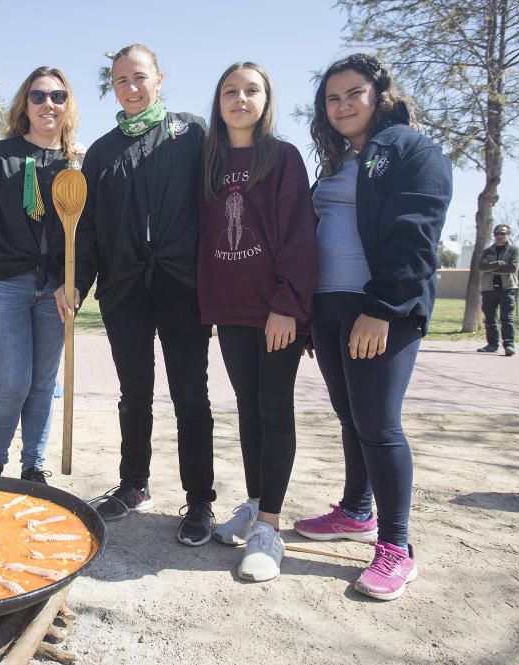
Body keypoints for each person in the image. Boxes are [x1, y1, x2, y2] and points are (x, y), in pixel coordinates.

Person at [294, 54, 452, 600]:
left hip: (378, 309)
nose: (342, 106)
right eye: (331, 99)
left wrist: (382, 308)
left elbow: (417, 236)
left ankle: (397, 546)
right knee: (350, 416)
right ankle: (356, 510)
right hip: (330, 305)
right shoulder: (340, 158)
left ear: (378, 94)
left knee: (380, 425)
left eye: (352, 94)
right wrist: (313, 313)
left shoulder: (411, 150)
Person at [81, 44, 216, 546]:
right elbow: (88, 228)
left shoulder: (193, 133)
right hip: (125, 292)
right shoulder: (100, 152)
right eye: (120, 81)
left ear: (159, 78)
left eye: (139, 77)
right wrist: (77, 285)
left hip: (184, 289)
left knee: (190, 396)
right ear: (112, 88)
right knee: (133, 395)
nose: (131, 87)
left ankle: (199, 499)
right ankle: (133, 485)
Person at [197, 62, 317, 580]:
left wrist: (288, 303)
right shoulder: (206, 160)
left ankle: (269, 527)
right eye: (230, 91)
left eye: (252, 91)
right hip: (229, 307)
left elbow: (299, 235)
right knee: (247, 407)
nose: (240, 99)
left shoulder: (283, 158)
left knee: (273, 408)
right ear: (218, 100)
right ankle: (254, 500)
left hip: (276, 311)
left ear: (266, 101)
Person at [0, 66, 87, 484]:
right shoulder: (2, 156)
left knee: (42, 383)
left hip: (55, 289)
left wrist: (73, 286)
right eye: (38, 96)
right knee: (13, 381)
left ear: (67, 103)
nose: (47, 104)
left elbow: (85, 236)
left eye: (57, 96)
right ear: (25, 104)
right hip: (3, 285)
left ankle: (33, 465)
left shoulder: (76, 164)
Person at [477, 224, 519, 356]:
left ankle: (509, 345)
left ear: (508, 235)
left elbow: (512, 268)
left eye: (502, 233)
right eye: (497, 234)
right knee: (490, 318)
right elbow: (481, 267)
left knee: (507, 318)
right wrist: (498, 264)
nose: (499, 236)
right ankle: (492, 344)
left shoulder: (514, 250)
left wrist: (491, 269)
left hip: (507, 288)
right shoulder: (487, 251)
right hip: (488, 289)